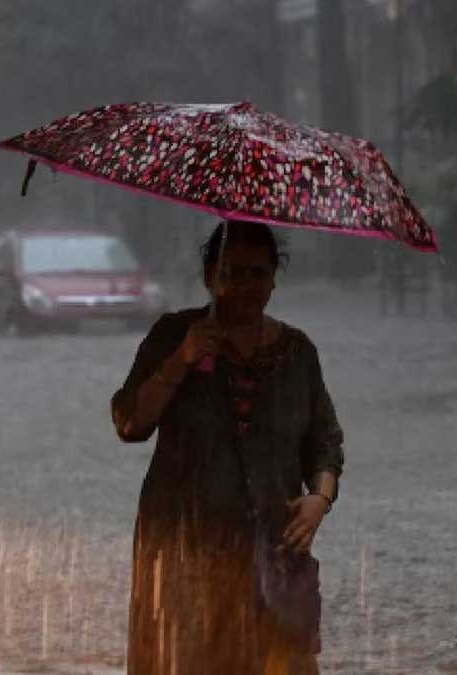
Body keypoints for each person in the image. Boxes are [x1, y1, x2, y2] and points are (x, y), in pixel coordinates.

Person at [111, 220, 345, 674]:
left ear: (274, 279)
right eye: (232, 273)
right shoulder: (174, 334)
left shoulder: (298, 353)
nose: (245, 286)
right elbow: (129, 422)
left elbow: (325, 442)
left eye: (258, 274)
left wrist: (320, 498)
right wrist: (182, 359)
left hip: (271, 549)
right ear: (209, 277)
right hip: (184, 547)